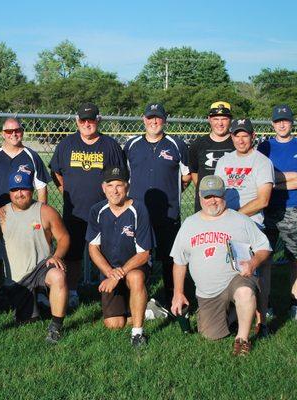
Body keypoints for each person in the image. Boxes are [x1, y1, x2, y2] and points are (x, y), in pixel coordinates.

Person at [170, 175, 271, 356]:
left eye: (216, 195)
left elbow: (264, 248)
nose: (212, 201)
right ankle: (237, 311)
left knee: (244, 292)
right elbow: (179, 262)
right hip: (209, 292)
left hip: (237, 278)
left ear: (223, 195)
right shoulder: (189, 224)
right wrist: (178, 293)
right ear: (200, 197)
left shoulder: (240, 220)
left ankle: (242, 340)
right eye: (208, 196)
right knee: (210, 335)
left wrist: (253, 262)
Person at [49, 102, 125, 306]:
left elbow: (120, 176)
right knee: (72, 255)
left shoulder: (110, 145)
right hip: (75, 211)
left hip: (104, 211)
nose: (87, 123)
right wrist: (67, 191)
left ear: (98, 120)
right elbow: (55, 171)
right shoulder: (67, 144)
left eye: (91, 120)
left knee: (108, 253)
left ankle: (111, 291)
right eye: (83, 120)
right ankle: (72, 291)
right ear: (77, 121)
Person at [0, 170, 70, 343]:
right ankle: (41, 301)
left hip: (41, 269)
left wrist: (57, 256)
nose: (20, 194)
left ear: (31, 189)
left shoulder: (46, 211)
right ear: (10, 192)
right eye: (15, 190)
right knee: (27, 320)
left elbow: (64, 237)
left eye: (24, 188)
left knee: (58, 275)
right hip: (17, 281)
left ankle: (56, 327)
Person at [124, 103, 191, 309]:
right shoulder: (131, 145)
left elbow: (186, 176)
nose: (154, 121)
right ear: (144, 120)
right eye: (150, 117)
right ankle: (136, 297)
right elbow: (124, 178)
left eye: (158, 117)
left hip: (168, 213)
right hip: (139, 213)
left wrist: (171, 194)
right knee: (138, 257)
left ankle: (172, 298)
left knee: (170, 258)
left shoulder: (177, 145)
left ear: (164, 120)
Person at [215, 118, 275, 337]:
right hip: (225, 222)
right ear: (231, 137)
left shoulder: (261, 162)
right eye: (237, 135)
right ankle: (232, 315)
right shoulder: (224, 161)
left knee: (254, 272)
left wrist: (235, 217)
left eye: (245, 135)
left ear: (253, 137)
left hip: (251, 224)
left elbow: (263, 200)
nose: (241, 140)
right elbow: (218, 193)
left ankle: (261, 322)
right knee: (226, 271)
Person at [258, 105, 297, 321]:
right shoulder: (265, 147)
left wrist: (274, 182)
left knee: (296, 258)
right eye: (278, 121)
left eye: (286, 120)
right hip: (268, 208)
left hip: (293, 209)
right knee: (265, 259)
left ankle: (295, 305)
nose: (282, 124)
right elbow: (260, 177)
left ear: (292, 122)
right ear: (272, 124)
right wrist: (290, 176)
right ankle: (267, 303)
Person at [86, 166, 154, 347]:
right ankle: (145, 308)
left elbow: (144, 253)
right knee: (114, 324)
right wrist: (110, 272)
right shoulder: (97, 210)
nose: (114, 190)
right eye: (110, 185)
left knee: (136, 277)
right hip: (110, 272)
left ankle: (138, 334)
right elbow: (93, 248)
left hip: (133, 267)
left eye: (119, 185)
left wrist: (120, 273)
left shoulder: (139, 209)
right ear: (103, 188)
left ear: (127, 187)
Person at [0, 117, 51, 214]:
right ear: (3, 134)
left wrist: (40, 215)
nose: (13, 134)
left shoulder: (32, 156)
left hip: (25, 216)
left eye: (17, 130)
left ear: (22, 132)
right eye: (9, 131)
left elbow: (41, 189)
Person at [188, 101, 235, 211]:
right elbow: (194, 173)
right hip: (205, 203)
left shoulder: (236, 143)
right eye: (216, 119)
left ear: (230, 120)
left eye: (224, 119)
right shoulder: (198, 144)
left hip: (231, 201)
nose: (220, 123)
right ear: (209, 119)